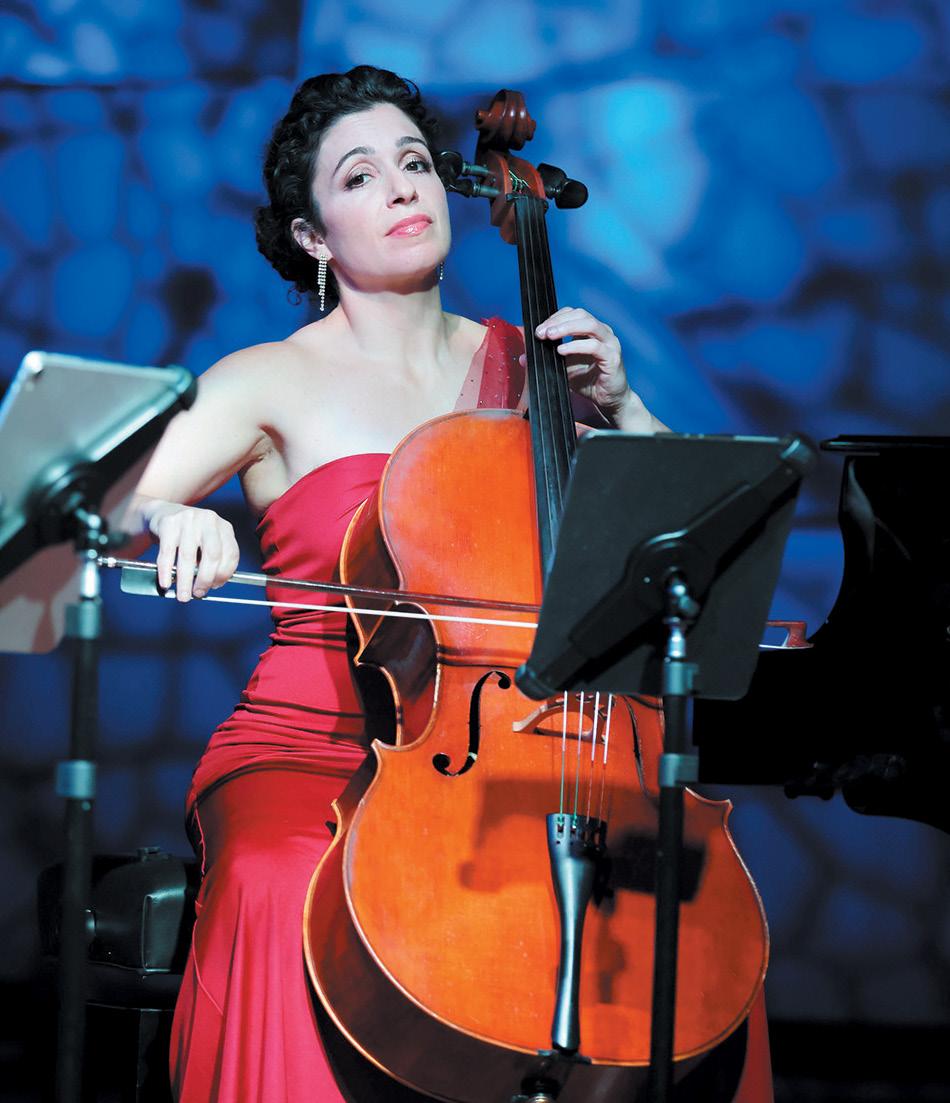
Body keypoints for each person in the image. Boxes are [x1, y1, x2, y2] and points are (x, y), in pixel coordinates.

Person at [129, 65, 771, 1103]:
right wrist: (175, 516)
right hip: (310, 744)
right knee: (278, 876)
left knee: (688, 920)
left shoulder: (535, 366)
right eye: (360, 175)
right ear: (312, 236)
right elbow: (112, 496)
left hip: (518, 747)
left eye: (416, 163)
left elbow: (694, 541)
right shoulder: (267, 377)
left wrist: (624, 406)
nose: (401, 187)